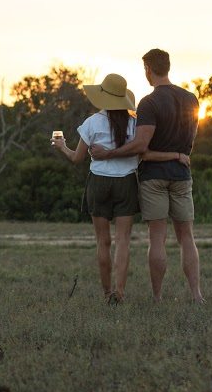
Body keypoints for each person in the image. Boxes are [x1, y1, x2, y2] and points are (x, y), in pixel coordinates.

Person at [51, 73, 181, 304]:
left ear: (102, 97)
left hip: (98, 183)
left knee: (103, 242)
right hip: (126, 184)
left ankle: (106, 292)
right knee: (123, 241)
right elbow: (142, 151)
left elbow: (77, 159)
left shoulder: (91, 123)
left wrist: (62, 147)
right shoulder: (134, 123)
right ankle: (119, 292)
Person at [90, 49, 204, 303]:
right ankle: (196, 295)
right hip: (182, 175)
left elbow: (141, 146)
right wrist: (176, 154)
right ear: (168, 67)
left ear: (148, 70)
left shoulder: (149, 103)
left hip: (153, 178)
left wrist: (110, 153)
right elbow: (191, 140)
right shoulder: (191, 98)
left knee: (157, 237)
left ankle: (157, 297)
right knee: (187, 236)